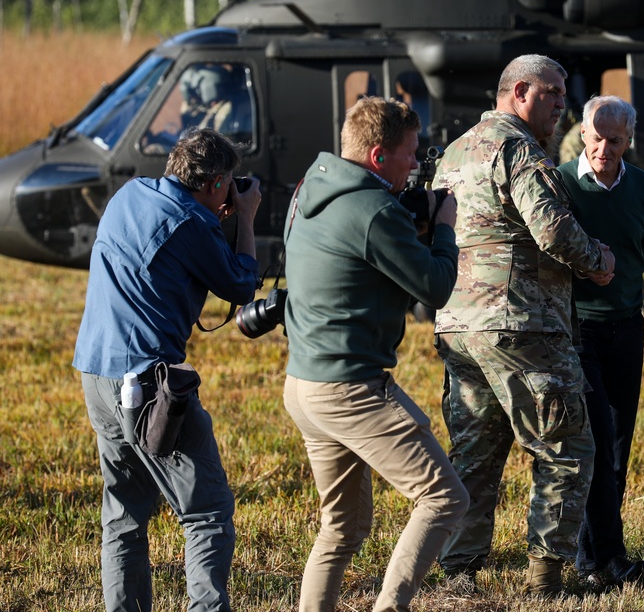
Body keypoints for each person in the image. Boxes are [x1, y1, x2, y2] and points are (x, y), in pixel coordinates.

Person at [432, 54, 615, 595]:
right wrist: (599, 261)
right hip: (521, 325)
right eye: (552, 93)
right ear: (517, 93)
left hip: (458, 325)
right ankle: (546, 579)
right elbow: (553, 231)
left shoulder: (455, 152)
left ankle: (459, 574)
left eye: (563, 94)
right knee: (566, 445)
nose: (563, 104)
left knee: (475, 453)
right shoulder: (519, 149)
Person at [282, 96, 469, 612]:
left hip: (303, 384)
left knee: (341, 530)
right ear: (378, 156)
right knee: (445, 498)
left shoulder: (309, 189)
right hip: (349, 388)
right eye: (409, 154)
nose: (415, 165)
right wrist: (445, 227)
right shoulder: (373, 211)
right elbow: (434, 288)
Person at [73, 128, 262, 611]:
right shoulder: (191, 224)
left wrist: (212, 213)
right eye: (230, 183)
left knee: (124, 516)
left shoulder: (129, 193)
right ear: (217, 182)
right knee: (207, 513)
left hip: (95, 373)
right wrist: (245, 215)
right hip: (147, 387)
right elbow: (241, 285)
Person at [555, 95, 644, 589]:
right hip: (577, 329)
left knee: (618, 444)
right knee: (593, 444)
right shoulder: (561, 184)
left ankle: (596, 554)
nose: (604, 148)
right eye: (597, 136)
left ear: (629, 141)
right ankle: (601, 558)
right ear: (583, 134)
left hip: (628, 328)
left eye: (615, 140)